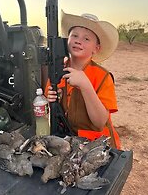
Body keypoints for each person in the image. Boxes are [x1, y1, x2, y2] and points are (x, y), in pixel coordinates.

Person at [45, 10, 122, 149]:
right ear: (67, 39)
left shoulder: (102, 76)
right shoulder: (57, 70)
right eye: (74, 35)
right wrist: (48, 100)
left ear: (96, 48)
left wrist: (85, 86)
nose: (78, 41)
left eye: (86, 39)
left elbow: (99, 122)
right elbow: (46, 114)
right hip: (67, 142)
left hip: (98, 146)